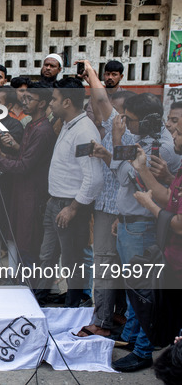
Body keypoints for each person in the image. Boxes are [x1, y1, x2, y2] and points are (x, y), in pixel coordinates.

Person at [108, 92, 181, 372]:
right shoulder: (144, 142)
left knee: (145, 294)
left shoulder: (159, 149)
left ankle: (142, 349)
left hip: (143, 226)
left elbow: (124, 175)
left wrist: (117, 144)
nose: (126, 124)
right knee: (136, 291)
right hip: (131, 221)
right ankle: (131, 337)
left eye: (130, 119)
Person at [76, 60, 136, 338]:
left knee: (104, 267)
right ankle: (116, 316)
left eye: (116, 111)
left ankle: (101, 322)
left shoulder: (125, 131)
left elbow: (127, 171)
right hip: (114, 208)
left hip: (114, 210)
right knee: (118, 270)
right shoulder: (127, 133)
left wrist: (90, 70)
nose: (108, 113)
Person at [34, 77, 103, 307]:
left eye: (54, 99)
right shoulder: (67, 123)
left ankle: (74, 306)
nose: (50, 103)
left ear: (67, 102)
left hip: (70, 205)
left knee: (72, 261)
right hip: (55, 201)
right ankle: (41, 299)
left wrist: (73, 208)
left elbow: (93, 178)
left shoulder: (84, 131)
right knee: (47, 256)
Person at [0, 82, 56, 270]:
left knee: (24, 239)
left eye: (29, 99)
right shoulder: (31, 126)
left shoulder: (39, 130)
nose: (24, 102)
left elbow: (24, 165)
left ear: (42, 103)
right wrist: (7, 153)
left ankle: (23, 282)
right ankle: (4, 275)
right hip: (7, 188)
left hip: (27, 191)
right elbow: (23, 157)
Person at [85, 60, 125, 124]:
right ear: (104, 75)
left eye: (114, 75)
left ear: (121, 77)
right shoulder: (96, 95)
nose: (110, 77)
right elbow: (91, 119)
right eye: (108, 74)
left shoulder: (125, 97)